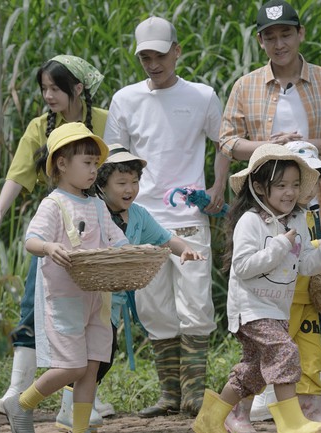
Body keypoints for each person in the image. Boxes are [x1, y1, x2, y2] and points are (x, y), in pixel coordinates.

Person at [219, 0, 321, 423]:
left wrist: (310, 146)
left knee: (314, 300)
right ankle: (273, 395)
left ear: (300, 34)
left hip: (317, 207)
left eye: (286, 33)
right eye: (270, 36)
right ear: (260, 40)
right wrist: (271, 149)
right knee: (271, 296)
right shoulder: (246, 86)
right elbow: (228, 141)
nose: (278, 42)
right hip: (266, 210)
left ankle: (310, 397)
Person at [0, 54, 112, 427]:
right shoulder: (40, 127)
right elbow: (17, 176)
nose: (48, 95)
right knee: (35, 306)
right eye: (44, 89)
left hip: (99, 227)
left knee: (99, 323)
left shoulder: (102, 121)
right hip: (59, 233)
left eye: (56, 88)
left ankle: (77, 407)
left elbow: (120, 170)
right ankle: (17, 391)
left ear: (78, 89)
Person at [103, 16, 230, 417]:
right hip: (141, 220)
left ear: (177, 50)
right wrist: (118, 210)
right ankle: (169, 396)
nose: (153, 63)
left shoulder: (202, 96)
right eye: (145, 56)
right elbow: (114, 160)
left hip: (189, 216)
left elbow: (224, 142)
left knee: (195, 305)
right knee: (153, 307)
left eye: (159, 54)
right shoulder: (125, 99)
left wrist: (217, 187)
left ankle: (194, 395)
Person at [192, 143, 321, 433]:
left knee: (254, 371)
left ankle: (209, 420)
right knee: (285, 350)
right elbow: (244, 267)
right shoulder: (250, 221)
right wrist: (279, 245)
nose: (290, 192)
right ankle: (292, 422)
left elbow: (305, 265)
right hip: (250, 308)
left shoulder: (298, 219)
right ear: (260, 188)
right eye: (282, 185)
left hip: (277, 309)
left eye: (296, 185)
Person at [1, 122, 127, 433]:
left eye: (95, 164)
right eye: (87, 163)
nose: (93, 170)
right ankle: (23, 401)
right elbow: (32, 240)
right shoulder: (54, 203)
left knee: (91, 367)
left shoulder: (98, 204)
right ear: (61, 164)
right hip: (65, 300)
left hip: (98, 300)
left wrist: (130, 254)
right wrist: (48, 247)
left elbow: (117, 240)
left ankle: (79, 428)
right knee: (73, 366)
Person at [93, 144, 206, 366]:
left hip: (113, 305)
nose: (130, 189)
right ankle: (62, 401)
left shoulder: (138, 215)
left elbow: (165, 239)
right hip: (88, 302)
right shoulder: (91, 210)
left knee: (103, 361)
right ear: (102, 185)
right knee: (84, 361)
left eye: (134, 182)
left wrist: (185, 250)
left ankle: (86, 402)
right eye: (122, 183)